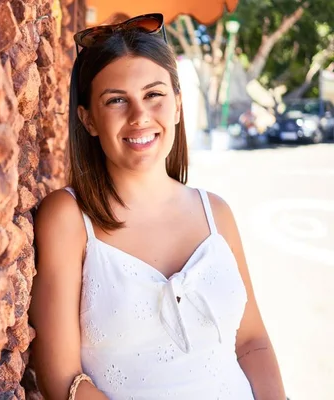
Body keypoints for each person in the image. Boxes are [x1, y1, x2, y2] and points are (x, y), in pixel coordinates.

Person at [28, 13, 286, 400]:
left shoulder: (216, 213)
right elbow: (60, 378)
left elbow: (251, 340)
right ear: (88, 120)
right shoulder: (67, 218)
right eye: (116, 100)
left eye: (154, 95)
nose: (140, 116)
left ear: (178, 106)